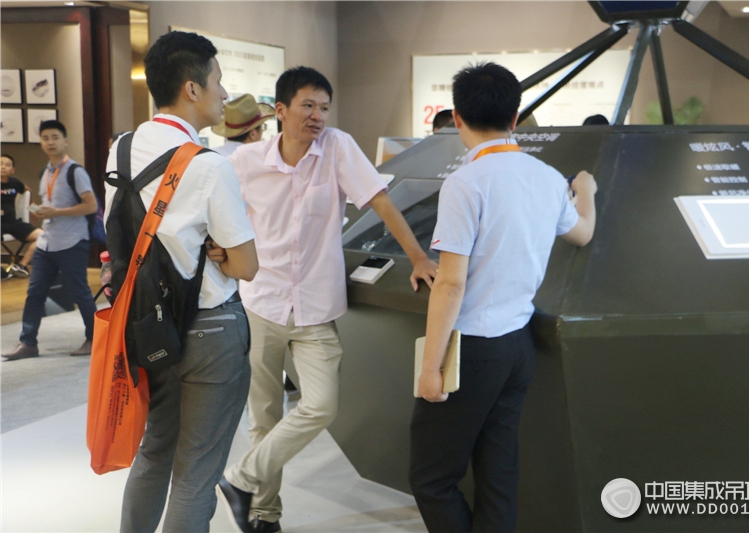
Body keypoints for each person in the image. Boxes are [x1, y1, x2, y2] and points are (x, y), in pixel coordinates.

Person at [217, 66, 438, 533]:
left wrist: (418, 258)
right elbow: (218, 217)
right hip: (261, 303)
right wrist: (218, 250)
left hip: (316, 308)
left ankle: (239, 478)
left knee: (321, 405)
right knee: (264, 416)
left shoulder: (336, 146)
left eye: (323, 107)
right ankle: (263, 515)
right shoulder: (244, 162)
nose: (318, 116)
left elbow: (380, 201)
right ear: (280, 111)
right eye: (307, 106)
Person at [409, 62, 597, 533]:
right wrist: (587, 190)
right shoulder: (547, 177)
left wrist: (430, 369)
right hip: (518, 345)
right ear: (515, 117)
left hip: (471, 346)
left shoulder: (466, 183)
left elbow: (451, 283)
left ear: (457, 117)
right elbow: (582, 233)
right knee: (498, 471)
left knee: (432, 479)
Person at [107, 31, 258, 533]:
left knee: (155, 451)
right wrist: (217, 251)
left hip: (146, 324)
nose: (223, 91)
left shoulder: (121, 149)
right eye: (217, 80)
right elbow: (246, 265)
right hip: (211, 330)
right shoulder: (209, 164)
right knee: (197, 474)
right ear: (192, 88)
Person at [1, 121, 98, 361]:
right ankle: (28, 342)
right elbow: (52, 204)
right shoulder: (45, 173)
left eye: (55, 137)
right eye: (45, 138)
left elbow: (91, 205)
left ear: (65, 141)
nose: (50, 142)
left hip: (72, 241)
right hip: (47, 242)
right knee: (35, 293)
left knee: (80, 292)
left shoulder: (75, 171)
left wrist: (56, 213)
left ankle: (95, 339)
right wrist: (42, 211)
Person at [1, 153, 43, 277]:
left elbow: (28, 191)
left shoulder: (14, 183)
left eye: (7, 165)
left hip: (12, 222)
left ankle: (21, 266)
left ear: (12, 170)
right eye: (0, 164)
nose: (3, 167)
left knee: (43, 236)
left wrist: (33, 209)